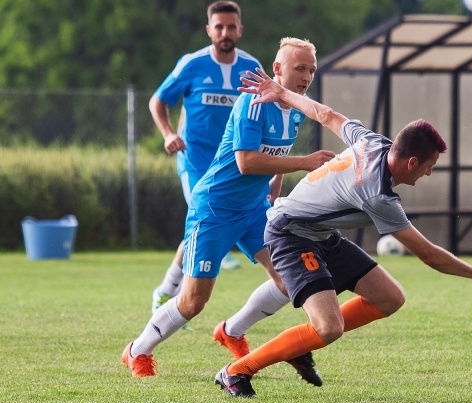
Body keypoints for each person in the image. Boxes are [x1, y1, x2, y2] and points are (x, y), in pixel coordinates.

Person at [213, 68, 472, 398]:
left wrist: (282, 93)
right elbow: (428, 254)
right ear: (411, 163)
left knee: (390, 297)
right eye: (429, 165)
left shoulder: (372, 141)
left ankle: (300, 345)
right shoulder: (378, 194)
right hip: (290, 234)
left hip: (322, 235)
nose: (429, 173)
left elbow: (325, 114)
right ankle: (236, 371)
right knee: (328, 328)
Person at [122, 38, 336, 385]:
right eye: (300, 68)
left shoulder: (296, 108)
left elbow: (278, 154)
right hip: (214, 209)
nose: (307, 76)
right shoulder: (253, 102)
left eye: (311, 69)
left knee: (288, 280)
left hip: (254, 210)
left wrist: (275, 191)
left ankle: (231, 330)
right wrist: (305, 162)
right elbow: (246, 162)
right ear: (277, 69)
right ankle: (138, 350)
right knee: (193, 301)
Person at [149, 0, 259, 317]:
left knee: (208, 225)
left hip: (232, 167)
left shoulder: (252, 67)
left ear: (240, 30)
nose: (225, 33)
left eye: (231, 27)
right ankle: (168, 294)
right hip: (195, 161)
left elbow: (262, 109)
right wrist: (168, 134)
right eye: (219, 27)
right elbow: (158, 101)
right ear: (209, 30)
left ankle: (170, 293)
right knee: (204, 218)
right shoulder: (192, 64)